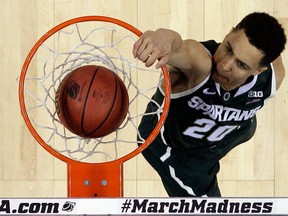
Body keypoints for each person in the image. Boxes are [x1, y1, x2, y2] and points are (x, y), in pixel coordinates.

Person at [132, 12, 286, 197]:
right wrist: (162, 39)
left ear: (259, 70)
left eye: (241, 65)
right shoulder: (200, 66)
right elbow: (180, 47)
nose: (223, 66)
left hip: (230, 132)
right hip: (178, 153)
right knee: (209, 208)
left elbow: (273, 55)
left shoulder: (272, 78)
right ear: (229, 33)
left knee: (246, 127)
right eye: (228, 49)